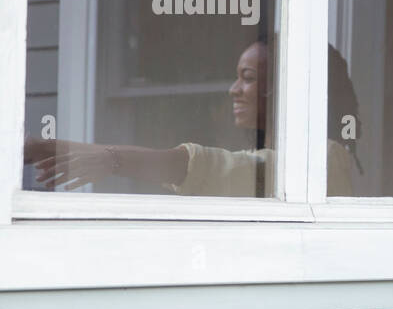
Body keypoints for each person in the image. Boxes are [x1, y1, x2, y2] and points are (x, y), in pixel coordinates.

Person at [25, 39, 362, 197]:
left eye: (247, 77)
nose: (234, 89)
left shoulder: (326, 159)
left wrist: (108, 159)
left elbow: (205, 167)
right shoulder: (276, 158)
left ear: (287, 87)